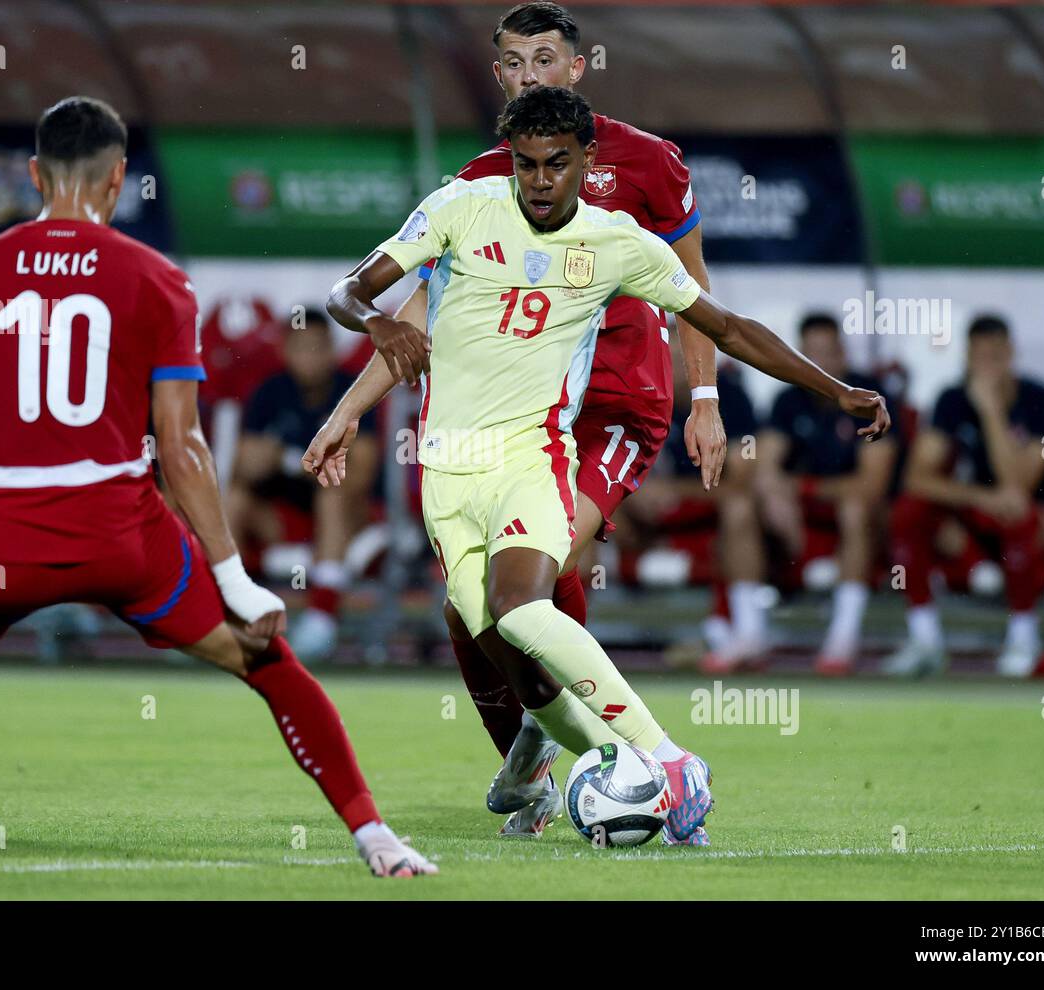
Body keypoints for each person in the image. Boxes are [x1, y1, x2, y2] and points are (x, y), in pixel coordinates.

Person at [309, 86, 889, 846]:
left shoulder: (618, 243)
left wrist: (835, 390)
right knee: (494, 639)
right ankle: (616, 766)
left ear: (588, 160)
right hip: (447, 474)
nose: (541, 180)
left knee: (520, 606)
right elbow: (345, 290)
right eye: (526, 165)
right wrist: (378, 322)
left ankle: (672, 762)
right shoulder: (460, 207)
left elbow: (729, 327)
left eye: (557, 163)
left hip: (532, 457)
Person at [0, 95, 435, 878]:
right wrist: (234, 578)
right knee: (269, 662)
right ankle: (375, 837)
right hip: (123, 539)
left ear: (36, 174)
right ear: (118, 180)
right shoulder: (154, 279)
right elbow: (181, 448)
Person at [313, 0, 725, 839]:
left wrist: (706, 399)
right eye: (512, 61)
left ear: (578, 66)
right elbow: (424, 310)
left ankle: (646, 762)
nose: (529, 74)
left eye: (545, 58)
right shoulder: (478, 185)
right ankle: (541, 751)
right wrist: (349, 408)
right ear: (497, 74)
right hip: (503, 417)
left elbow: (697, 292)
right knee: (471, 614)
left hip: (614, 407)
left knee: (537, 578)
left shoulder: (648, 163)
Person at [884, 315, 1044, 678]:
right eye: (978, 358)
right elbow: (916, 479)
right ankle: (925, 639)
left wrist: (991, 411)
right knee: (909, 511)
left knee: (1016, 511)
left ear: (1011, 354)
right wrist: (976, 498)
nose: (986, 367)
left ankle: (1024, 635)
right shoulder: (952, 399)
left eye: (995, 356)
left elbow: (1018, 483)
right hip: (985, 517)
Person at [228, 308, 380, 660]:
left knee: (333, 494)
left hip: (343, 522)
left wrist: (292, 461)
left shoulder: (354, 392)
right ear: (285, 350)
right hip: (282, 522)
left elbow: (360, 476)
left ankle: (322, 615)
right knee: (236, 499)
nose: (310, 358)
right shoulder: (270, 391)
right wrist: (262, 459)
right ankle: (228, 607)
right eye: (301, 347)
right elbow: (243, 465)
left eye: (318, 347)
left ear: (332, 349)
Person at [613, 337, 767, 671]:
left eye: (684, 359)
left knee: (740, 508)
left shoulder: (730, 397)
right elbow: (614, 467)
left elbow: (740, 483)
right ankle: (570, 636)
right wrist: (637, 489)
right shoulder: (639, 396)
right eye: (665, 358)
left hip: (712, 517)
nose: (673, 369)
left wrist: (675, 490)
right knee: (601, 499)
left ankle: (747, 631)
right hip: (652, 521)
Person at [757, 314, 898, 676]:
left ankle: (843, 635)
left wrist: (801, 487)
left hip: (866, 522)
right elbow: (766, 469)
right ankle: (745, 630)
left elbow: (871, 486)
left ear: (843, 354)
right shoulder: (788, 399)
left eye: (827, 352)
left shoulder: (869, 396)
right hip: (805, 521)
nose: (819, 362)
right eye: (810, 353)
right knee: (747, 502)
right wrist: (775, 492)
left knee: (854, 507)